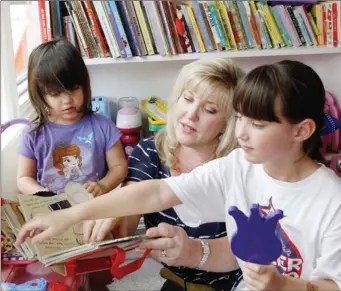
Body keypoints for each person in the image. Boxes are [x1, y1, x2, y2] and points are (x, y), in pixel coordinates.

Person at [15, 60, 341, 291]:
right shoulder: (240, 166)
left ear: (302, 130)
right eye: (240, 118)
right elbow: (157, 193)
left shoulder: (331, 200)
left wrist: (283, 286)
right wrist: (70, 216)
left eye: (257, 124)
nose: (241, 132)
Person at [83, 59, 245, 291]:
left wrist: (192, 252)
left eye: (209, 109)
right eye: (187, 99)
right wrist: (113, 215)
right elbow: (130, 210)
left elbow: (243, 248)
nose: (191, 114)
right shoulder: (149, 151)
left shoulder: (238, 167)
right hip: (176, 282)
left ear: (228, 123)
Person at [17, 39, 127, 197]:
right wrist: (40, 192)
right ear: (40, 94)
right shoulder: (32, 133)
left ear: (84, 85)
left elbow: (119, 167)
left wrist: (103, 185)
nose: (67, 100)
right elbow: (23, 178)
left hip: (93, 208)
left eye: (74, 89)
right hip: (53, 210)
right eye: (55, 93)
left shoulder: (103, 126)